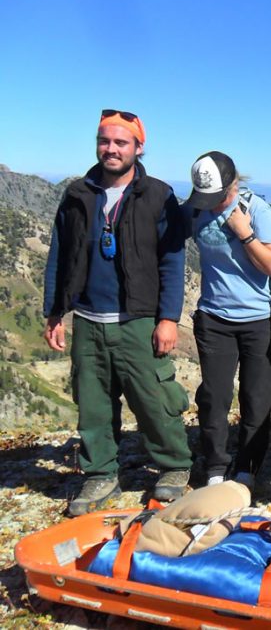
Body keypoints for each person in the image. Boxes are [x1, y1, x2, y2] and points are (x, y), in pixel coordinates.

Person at [43, 109, 193, 515]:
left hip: (138, 320)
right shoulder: (77, 194)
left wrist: (167, 318)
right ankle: (99, 473)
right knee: (92, 402)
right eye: (104, 141)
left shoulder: (159, 195)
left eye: (120, 142)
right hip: (89, 320)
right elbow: (60, 254)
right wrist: (54, 312)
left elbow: (172, 260)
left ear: (138, 148)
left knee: (154, 399)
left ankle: (174, 467)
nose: (111, 149)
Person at [185, 151, 271, 490]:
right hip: (214, 317)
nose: (212, 204)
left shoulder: (257, 210)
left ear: (234, 184)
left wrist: (245, 233)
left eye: (219, 197)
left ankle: (247, 469)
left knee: (256, 399)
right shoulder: (197, 208)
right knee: (214, 396)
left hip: (261, 321)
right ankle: (214, 467)